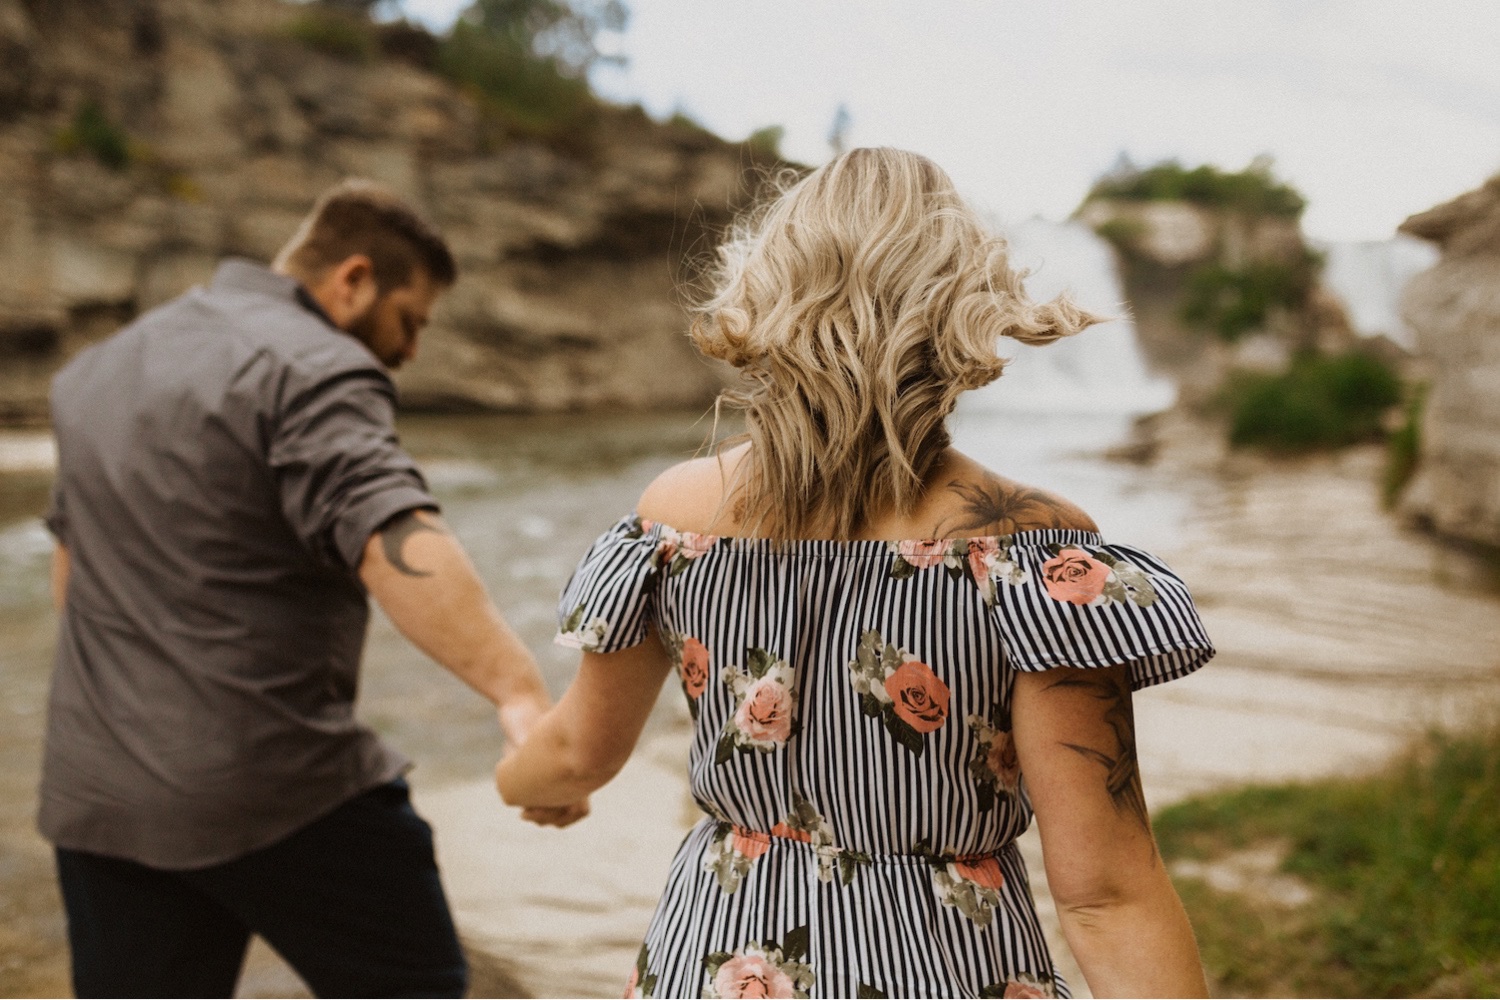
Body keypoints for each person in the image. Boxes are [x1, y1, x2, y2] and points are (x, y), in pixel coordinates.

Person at [496, 148, 1215, 998]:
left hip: (721, 967)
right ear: (967, 313)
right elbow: (1106, 893)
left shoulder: (676, 521)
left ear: (768, 297)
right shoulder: (1030, 546)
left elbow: (574, 754)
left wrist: (521, 767)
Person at [40, 179, 573, 999]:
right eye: (410, 321)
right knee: (418, 986)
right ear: (353, 279)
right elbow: (391, 534)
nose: (409, 351)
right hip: (277, 786)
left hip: (100, 797)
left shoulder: (99, 370)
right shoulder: (316, 362)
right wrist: (519, 694)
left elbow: (72, 581)